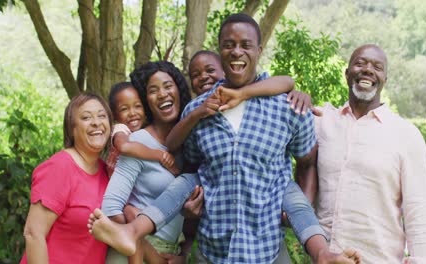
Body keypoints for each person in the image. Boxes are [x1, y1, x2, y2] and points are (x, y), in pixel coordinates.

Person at [89, 14, 360, 264]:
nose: (237, 51)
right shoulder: (197, 111)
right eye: (229, 45)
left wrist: (298, 209)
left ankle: (323, 254)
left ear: (259, 50)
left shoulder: (288, 106)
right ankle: (133, 231)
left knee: (292, 193)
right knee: (186, 180)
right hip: (212, 251)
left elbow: (307, 160)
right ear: (221, 51)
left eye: (246, 44)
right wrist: (189, 212)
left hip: (266, 249)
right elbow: (192, 167)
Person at [312, 44, 426, 263]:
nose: (368, 69)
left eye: (377, 67)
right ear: (347, 73)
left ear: (385, 79)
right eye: (360, 63)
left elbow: (419, 214)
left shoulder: (406, 135)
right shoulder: (322, 123)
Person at [100, 61, 193, 263]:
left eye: (168, 86)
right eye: (153, 90)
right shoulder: (140, 142)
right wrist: (149, 252)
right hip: (135, 253)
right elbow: (110, 208)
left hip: (171, 254)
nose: (162, 94)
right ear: (146, 100)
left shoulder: (191, 146)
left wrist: (184, 254)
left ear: (179, 89)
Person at [21, 93, 111, 263]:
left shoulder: (107, 172)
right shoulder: (59, 167)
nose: (96, 122)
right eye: (86, 117)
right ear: (72, 128)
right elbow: (33, 234)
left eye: (102, 116)